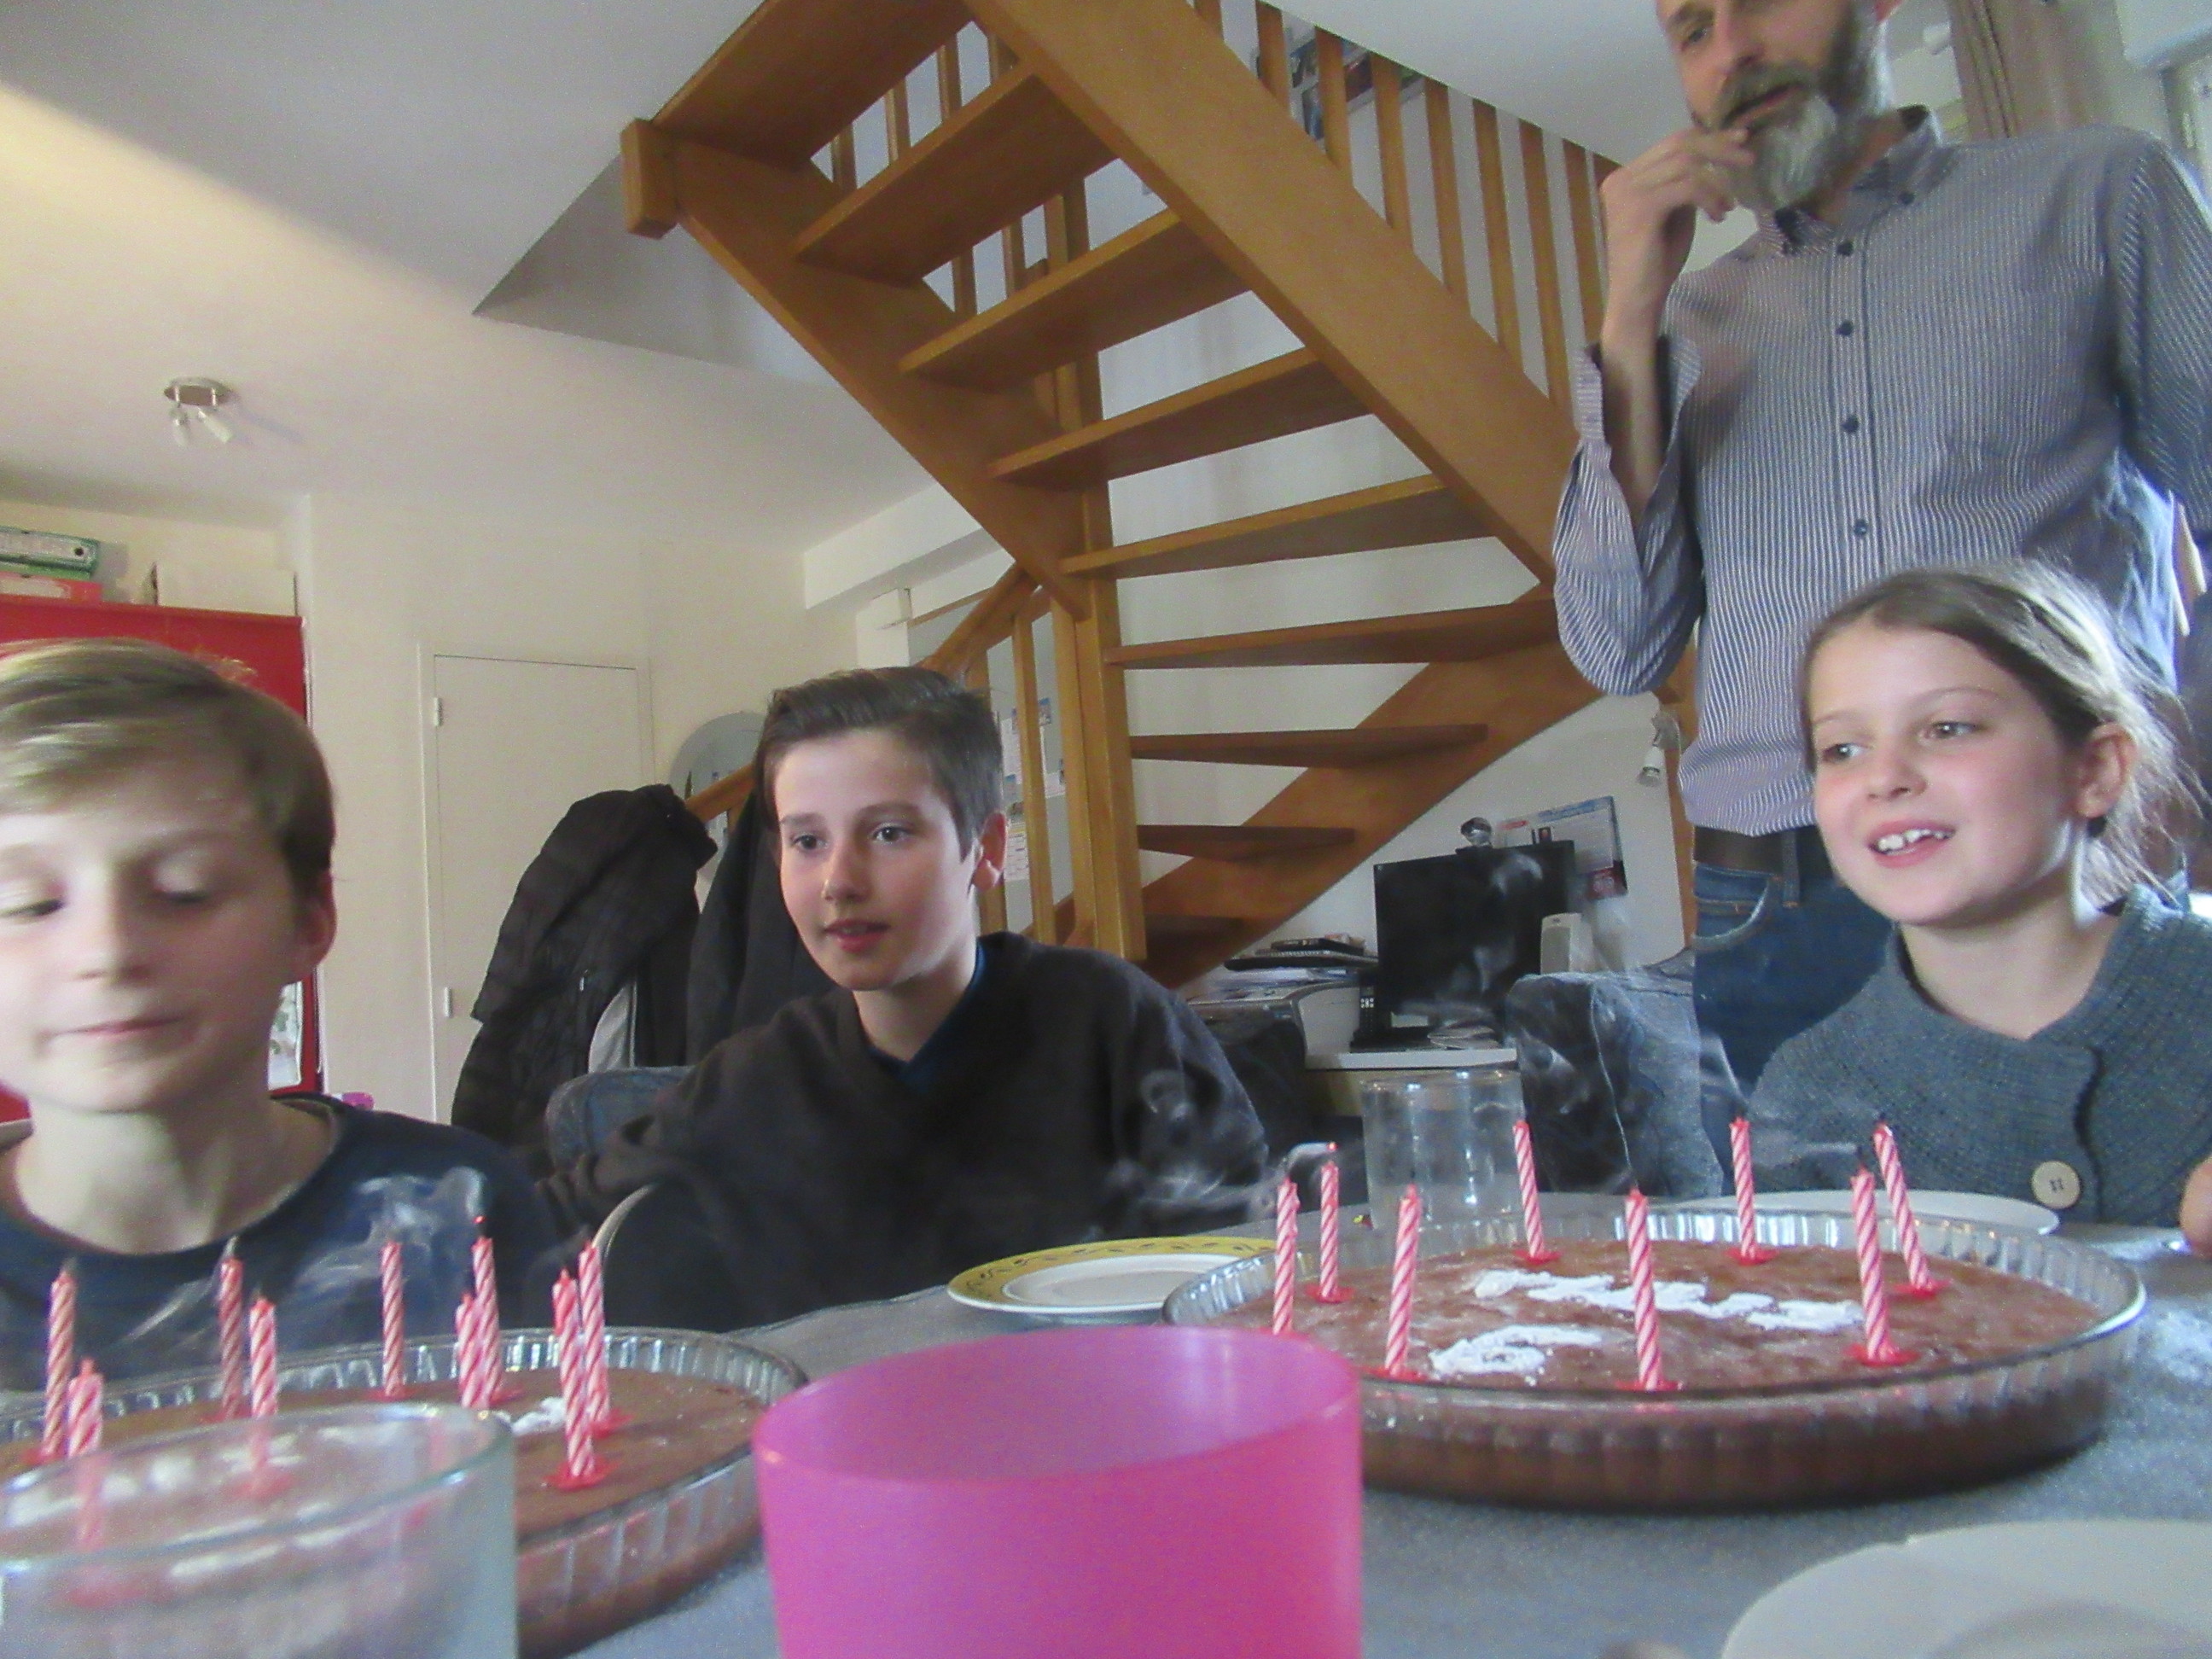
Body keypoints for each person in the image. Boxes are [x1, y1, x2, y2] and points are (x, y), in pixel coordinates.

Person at [1550, 0, 2212, 1097]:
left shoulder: (2103, 193)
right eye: (1692, 29)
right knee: (1803, 1219)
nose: (1733, 50)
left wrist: (2184, 787)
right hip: (1776, 911)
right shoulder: (1689, 322)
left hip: (2068, 869)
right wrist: (1629, 317)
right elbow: (1614, 648)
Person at [541, 667, 1267, 1324]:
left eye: (888, 833)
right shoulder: (753, 1085)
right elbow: (545, 1227)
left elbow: (1237, 1271)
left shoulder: (1113, 1023)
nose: (839, 881)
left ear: (984, 850)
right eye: (807, 842)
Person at [0, 638, 552, 1387]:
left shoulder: (455, 1208)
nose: (107, 950)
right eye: (28, 903)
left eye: (185, 891)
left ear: (308, 921)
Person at [1750, 566, 2212, 1251]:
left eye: (1948, 728)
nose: (1885, 777)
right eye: (1842, 749)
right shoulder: (1809, 1093)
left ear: (2094, 770)